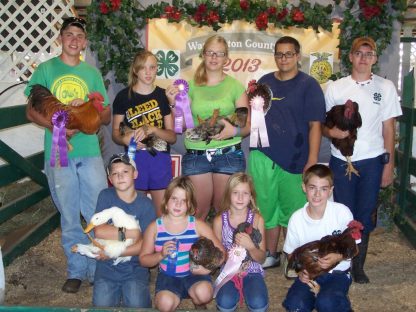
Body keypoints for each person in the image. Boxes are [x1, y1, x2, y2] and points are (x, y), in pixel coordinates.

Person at [25, 17, 110, 293]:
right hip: (58, 152)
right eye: (69, 34)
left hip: (90, 151)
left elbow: (105, 113)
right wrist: (56, 126)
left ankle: (98, 269)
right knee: (69, 212)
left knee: (96, 212)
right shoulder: (46, 70)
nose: (74, 40)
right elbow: (31, 110)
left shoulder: (92, 73)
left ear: (85, 42)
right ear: (60, 38)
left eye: (79, 36)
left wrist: (90, 109)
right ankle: (76, 269)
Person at [323, 36, 402, 283]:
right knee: (344, 213)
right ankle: (343, 262)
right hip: (341, 159)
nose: (363, 58)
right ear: (350, 56)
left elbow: (389, 130)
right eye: (359, 53)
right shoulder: (335, 87)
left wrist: (388, 166)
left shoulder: (385, 87)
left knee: (365, 215)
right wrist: (332, 132)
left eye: (369, 54)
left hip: (371, 160)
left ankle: (358, 265)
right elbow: (323, 125)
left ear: (375, 58)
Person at [248, 36, 326, 268]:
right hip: (263, 156)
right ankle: (270, 253)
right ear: (275, 56)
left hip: (295, 157)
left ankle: (294, 255)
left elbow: (315, 126)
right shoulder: (264, 82)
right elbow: (253, 119)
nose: (284, 58)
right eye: (279, 54)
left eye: (289, 54)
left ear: (298, 56)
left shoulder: (309, 85)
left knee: (293, 211)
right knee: (265, 208)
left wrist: (312, 160)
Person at [167, 34, 250, 220]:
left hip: (228, 154)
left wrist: (233, 131)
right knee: (197, 213)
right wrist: (173, 104)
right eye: (210, 52)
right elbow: (179, 126)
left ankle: (224, 249)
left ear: (226, 58)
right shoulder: (189, 87)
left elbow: (246, 126)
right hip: (197, 155)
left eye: (219, 54)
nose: (214, 57)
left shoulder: (236, 87)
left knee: (226, 215)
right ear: (203, 55)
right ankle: (197, 249)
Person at [139, 176, 225, 312]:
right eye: (174, 199)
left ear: (190, 205)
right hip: (168, 276)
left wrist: (209, 269)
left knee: (204, 294)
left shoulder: (197, 225)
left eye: (183, 201)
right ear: (166, 202)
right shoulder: (155, 227)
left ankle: (199, 303)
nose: (178, 204)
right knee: (164, 304)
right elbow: (143, 260)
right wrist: (160, 255)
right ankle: (174, 296)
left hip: (195, 274)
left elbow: (221, 252)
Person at [112, 50, 176, 216]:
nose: (148, 72)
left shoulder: (163, 96)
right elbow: (115, 133)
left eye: (152, 67)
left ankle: (159, 241)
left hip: (159, 159)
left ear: (157, 69)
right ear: (135, 70)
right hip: (135, 159)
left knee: (161, 213)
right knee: (134, 213)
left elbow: (172, 136)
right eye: (143, 68)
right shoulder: (123, 97)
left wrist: (153, 129)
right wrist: (125, 139)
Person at [282, 164, 355, 312]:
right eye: (312, 187)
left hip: (338, 273)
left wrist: (338, 257)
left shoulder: (341, 213)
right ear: (304, 187)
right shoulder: (296, 219)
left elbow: (353, 247)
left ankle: (337, 301)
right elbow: (291, 253)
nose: (317, 194)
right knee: (296, 304)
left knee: (327, 303)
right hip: (310, 274)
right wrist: (301, 270)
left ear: (331, 191)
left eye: (323, 189)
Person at [91, 153, 156, 308]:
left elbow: (146, 245)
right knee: (102, 306)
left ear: (135, 173)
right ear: (110, 179)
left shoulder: (146, 204)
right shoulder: (105, 196)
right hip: (107, 268)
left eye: (125, 172)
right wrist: (131, 234)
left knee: (137, 304)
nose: (120, 176)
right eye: (115, 173)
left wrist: (113, 252)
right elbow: (99, 231)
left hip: (134, 267)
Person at [213, 172, 268, 312]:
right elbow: (217, 256)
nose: (240, 197)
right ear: (228, 194)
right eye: (235, 192)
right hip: (228, 272)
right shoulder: (219, 221)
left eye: (245, 193)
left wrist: (251, 246)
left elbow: (262, 258)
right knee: (225, 302)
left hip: (253, 271)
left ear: (251, 197)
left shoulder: (257, 220)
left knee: (259, 303)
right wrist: (229, 263)